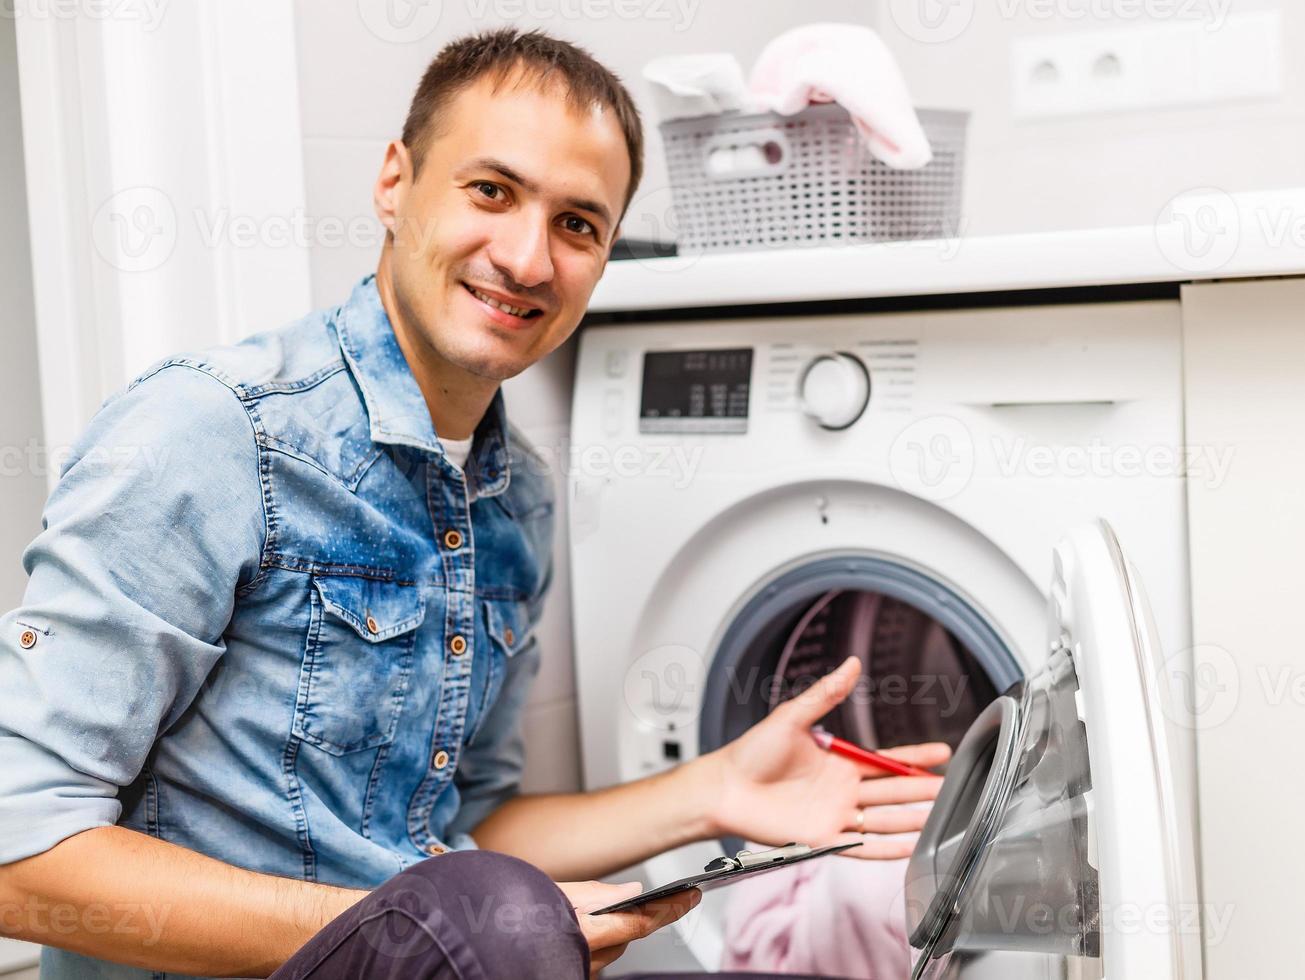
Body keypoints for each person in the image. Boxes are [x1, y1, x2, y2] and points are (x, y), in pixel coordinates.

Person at [0, 28, 949, 979]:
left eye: (579, 224)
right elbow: (16, 850)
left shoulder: (513, 498)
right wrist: (430, 933)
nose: (530, 258)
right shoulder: (212, 432)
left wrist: (713, 790)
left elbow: (460, 825)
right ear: (393, 184)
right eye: (491, 191)